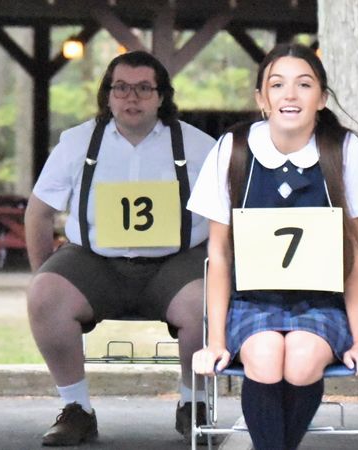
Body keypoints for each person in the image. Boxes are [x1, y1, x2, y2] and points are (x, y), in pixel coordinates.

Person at [188, 43, 358, 450]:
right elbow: (219, 256)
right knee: (263, 355)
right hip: (251, 301)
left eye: (304, 84)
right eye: (277, 85)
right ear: (262, 98)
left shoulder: (343, 150)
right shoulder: (233, 149)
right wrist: (217, 341)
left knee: (299, 359)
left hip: (321, 302)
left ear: (322, 98)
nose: (290, 95)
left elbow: (354, 256)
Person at [25, 50, 216, 446]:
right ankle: (76, 410)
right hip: (95, 262)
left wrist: (215, 264)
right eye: (122, 88)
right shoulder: (77, 142)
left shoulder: (200, 147)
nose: (132, 97)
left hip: (176, 263)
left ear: (162, 96)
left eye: (144, 88)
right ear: (107, 95)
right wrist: (45, 273)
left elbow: (225, 217)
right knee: (44, 295)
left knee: (207, 299)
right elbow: (39, 212)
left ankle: (193, 405)